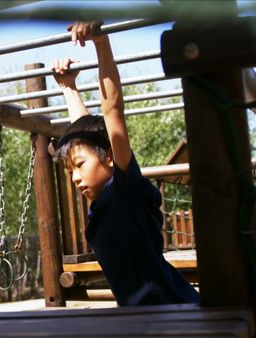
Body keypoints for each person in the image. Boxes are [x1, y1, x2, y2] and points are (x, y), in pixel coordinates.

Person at [52, 22, 199, 306]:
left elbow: (113, 112)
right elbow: (84, 135)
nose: (75, 177)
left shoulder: (125, 190)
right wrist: (68, 87)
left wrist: (101, 42)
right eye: (71, 170)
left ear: (109, 155)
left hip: (173, 308)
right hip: (144, 315)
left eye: (80, 165)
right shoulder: (104, 202)